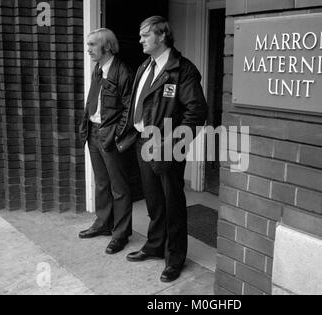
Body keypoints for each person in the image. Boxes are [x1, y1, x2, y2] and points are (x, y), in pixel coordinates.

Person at [116, 16, 207, 283]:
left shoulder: (183, 70)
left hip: (167, 146)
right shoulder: (146, 65)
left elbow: (196, 111)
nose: (141, 40)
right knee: (154, 200)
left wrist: (173, 145)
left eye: (146, 35)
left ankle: (174, 257)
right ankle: (155, 245)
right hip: (144, 142)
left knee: (173, 203)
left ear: (162, 36)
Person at [79, 28, 134, 256]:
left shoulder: (123, 72)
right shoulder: (98, 69)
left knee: (119, 188)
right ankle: (103, 224)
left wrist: (118, 134)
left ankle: (120, 234)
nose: (88, 49)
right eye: (88, 44)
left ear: (107, 47)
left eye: (92, 44)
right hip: (94, 132)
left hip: (110, 135)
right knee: (101, 183)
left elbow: (129, 109)